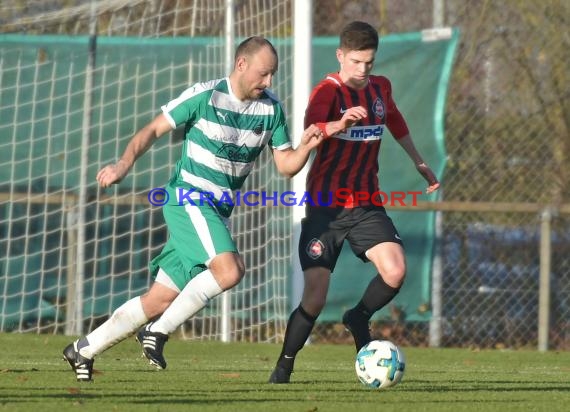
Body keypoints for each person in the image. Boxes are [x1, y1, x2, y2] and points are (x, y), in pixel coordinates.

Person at [63, 36, 325, 382]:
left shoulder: (271, 110)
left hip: (215, 211)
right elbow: (152, 129)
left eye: (273, 75)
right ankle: (157, 333)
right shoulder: (206, 96)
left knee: (158, 299)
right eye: (264, 74)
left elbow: (286, 166)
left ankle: (83, 349)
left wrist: (306, 146)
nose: (269, 82)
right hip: (188, 198)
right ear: (241, 64)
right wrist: (123, 165)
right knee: (230, 271)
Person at [268, 21, 440, 384]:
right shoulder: (327, 92)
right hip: (326, 209)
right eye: (357, 62)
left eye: (370, 63)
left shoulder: (381, 88)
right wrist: (339, 123)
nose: (363, 70)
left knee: (395, 270)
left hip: (365, 203)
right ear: (340, 56)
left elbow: (394, 119)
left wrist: (418, 160)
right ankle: (284, 365)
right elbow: (311, 132)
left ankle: (358, 316)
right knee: (314, 298)